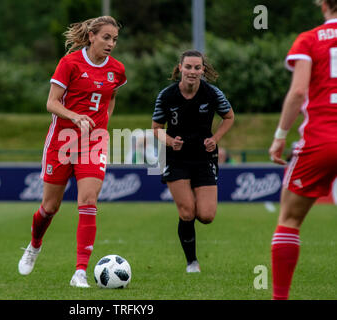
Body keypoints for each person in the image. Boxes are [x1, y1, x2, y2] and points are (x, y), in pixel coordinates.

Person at [18, 16, 127, 288]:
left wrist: (102, 124)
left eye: (114, 39)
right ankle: (34, 245)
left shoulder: (117, 69)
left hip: (93, 143)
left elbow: (111, 96)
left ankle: (80, 272)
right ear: (92, 36)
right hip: (62, 142)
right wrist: (75, 116)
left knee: (88, 201)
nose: (111, 43)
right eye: (106, 37)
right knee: (49, 207)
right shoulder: (70, 63)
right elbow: (51, 103)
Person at [268, 0, 337, 300]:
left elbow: (298, 91)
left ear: (323, 3)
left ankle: (280, 298)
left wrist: (280, 136)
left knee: (290, 220)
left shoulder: (309, 39)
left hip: (321, 140)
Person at [151, 50, 234, 273]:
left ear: (203, 70)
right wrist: (170, 141)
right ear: (180, 68)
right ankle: (192, 262)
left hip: (204, 157)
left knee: (206, 216)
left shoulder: (213, 93)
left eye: (197, 68)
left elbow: (229, 117)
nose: (192, 71)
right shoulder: (166, 96)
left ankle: (189, 231)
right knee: (187, 212)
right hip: (176, 158)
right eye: (188, 67)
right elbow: (156, 129)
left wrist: (215, 139)